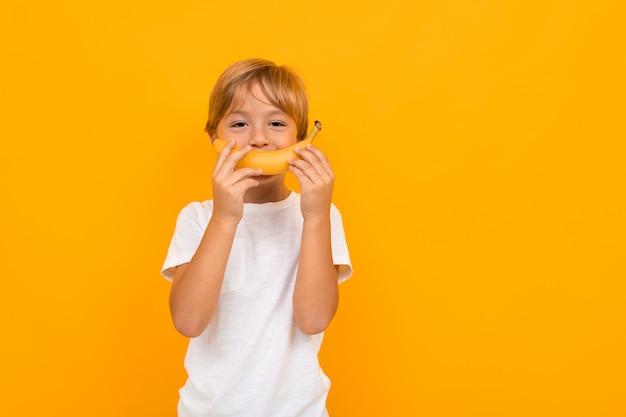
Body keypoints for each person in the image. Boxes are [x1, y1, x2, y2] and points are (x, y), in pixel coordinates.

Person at [161, 58, 352, 417]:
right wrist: (224, 219)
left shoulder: (320, 216)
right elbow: (187, 322)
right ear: (214, 138)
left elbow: (313, 320)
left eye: (276, 123)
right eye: (239, 123)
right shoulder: (199, 218)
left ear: (301, 139)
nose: (259, 138)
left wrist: (315, 218)